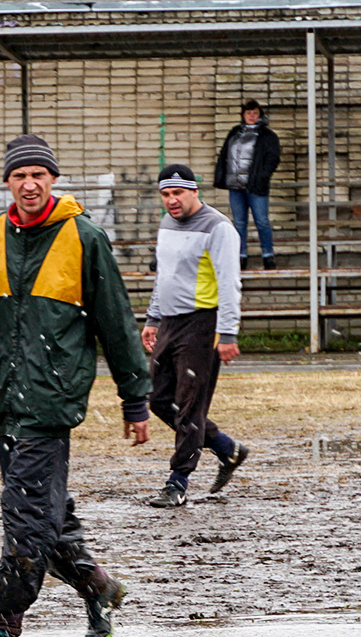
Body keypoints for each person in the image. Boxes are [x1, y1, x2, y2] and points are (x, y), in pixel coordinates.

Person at [0, 134, 152, 637]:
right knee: (48, 518)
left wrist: (135, 398)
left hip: (51, 404)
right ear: (7, 182)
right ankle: (99, 588)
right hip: (2, 403)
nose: (29, 184)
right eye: (19, 176)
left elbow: (117, 324)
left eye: (39, 175)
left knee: (27, 523)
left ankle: (2, 629)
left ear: (53, 180)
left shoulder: (84, 237)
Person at [142, 164, 249, 508]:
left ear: (194, 191)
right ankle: (225, 448)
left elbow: (230, 282)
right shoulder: (167, 223)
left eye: (178, 193)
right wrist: (153, 317)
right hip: (170, 323)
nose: (171, 201)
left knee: (189, 406)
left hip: (203, 325)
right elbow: (164, 275)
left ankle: (177, 482)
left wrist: (228, 331)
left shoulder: (219, 228)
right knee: (158, 399)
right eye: (166, 194)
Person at [213, 98, 281, 270]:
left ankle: (268, 255)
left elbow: (273, 159)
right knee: (239, 223)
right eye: (248, 112)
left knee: (262, 221)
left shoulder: (267, 135)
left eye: (255, 113)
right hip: (235, 186)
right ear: (243, 115)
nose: (252, 116)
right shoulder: (235, 132)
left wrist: (262, 177)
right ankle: (241, 255)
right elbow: (224, 155)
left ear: (260, 115)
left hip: (256, 186)